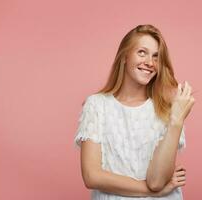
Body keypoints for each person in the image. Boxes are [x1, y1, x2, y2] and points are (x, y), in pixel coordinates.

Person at [74, 24, 195, 199]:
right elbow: (92, 176)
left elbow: (156, 181)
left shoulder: (166, 109)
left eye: (156, 56)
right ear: (124, 56)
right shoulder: (97, 105)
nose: (150, 62)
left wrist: (176, 121)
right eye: (142, 52)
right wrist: (153, 191)